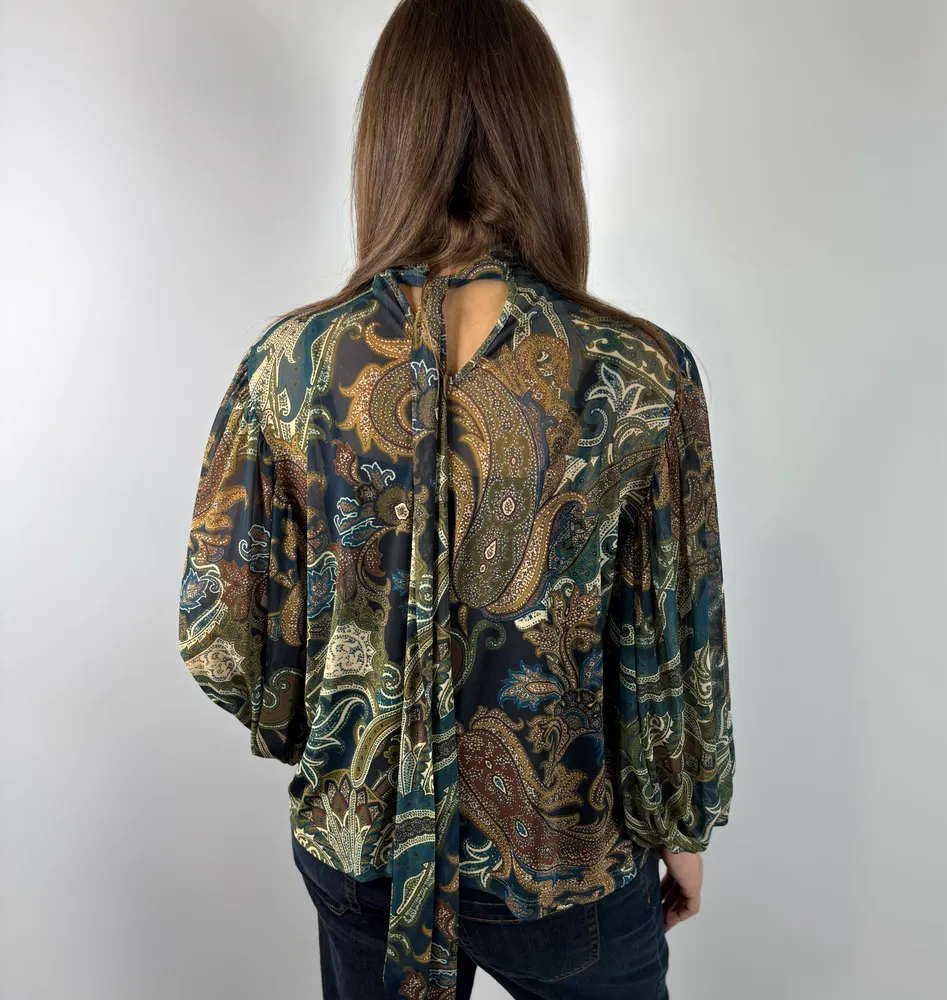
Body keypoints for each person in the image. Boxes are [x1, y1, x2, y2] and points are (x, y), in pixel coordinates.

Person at [176, 0, 734, 997]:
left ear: (387, 141)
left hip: (362, 848)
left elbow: (223, 634)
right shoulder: (636, 371)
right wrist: (679, 825)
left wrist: (340, 733)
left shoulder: (292, 365)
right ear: (543, 139)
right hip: (560, 866)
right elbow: (668, 643)